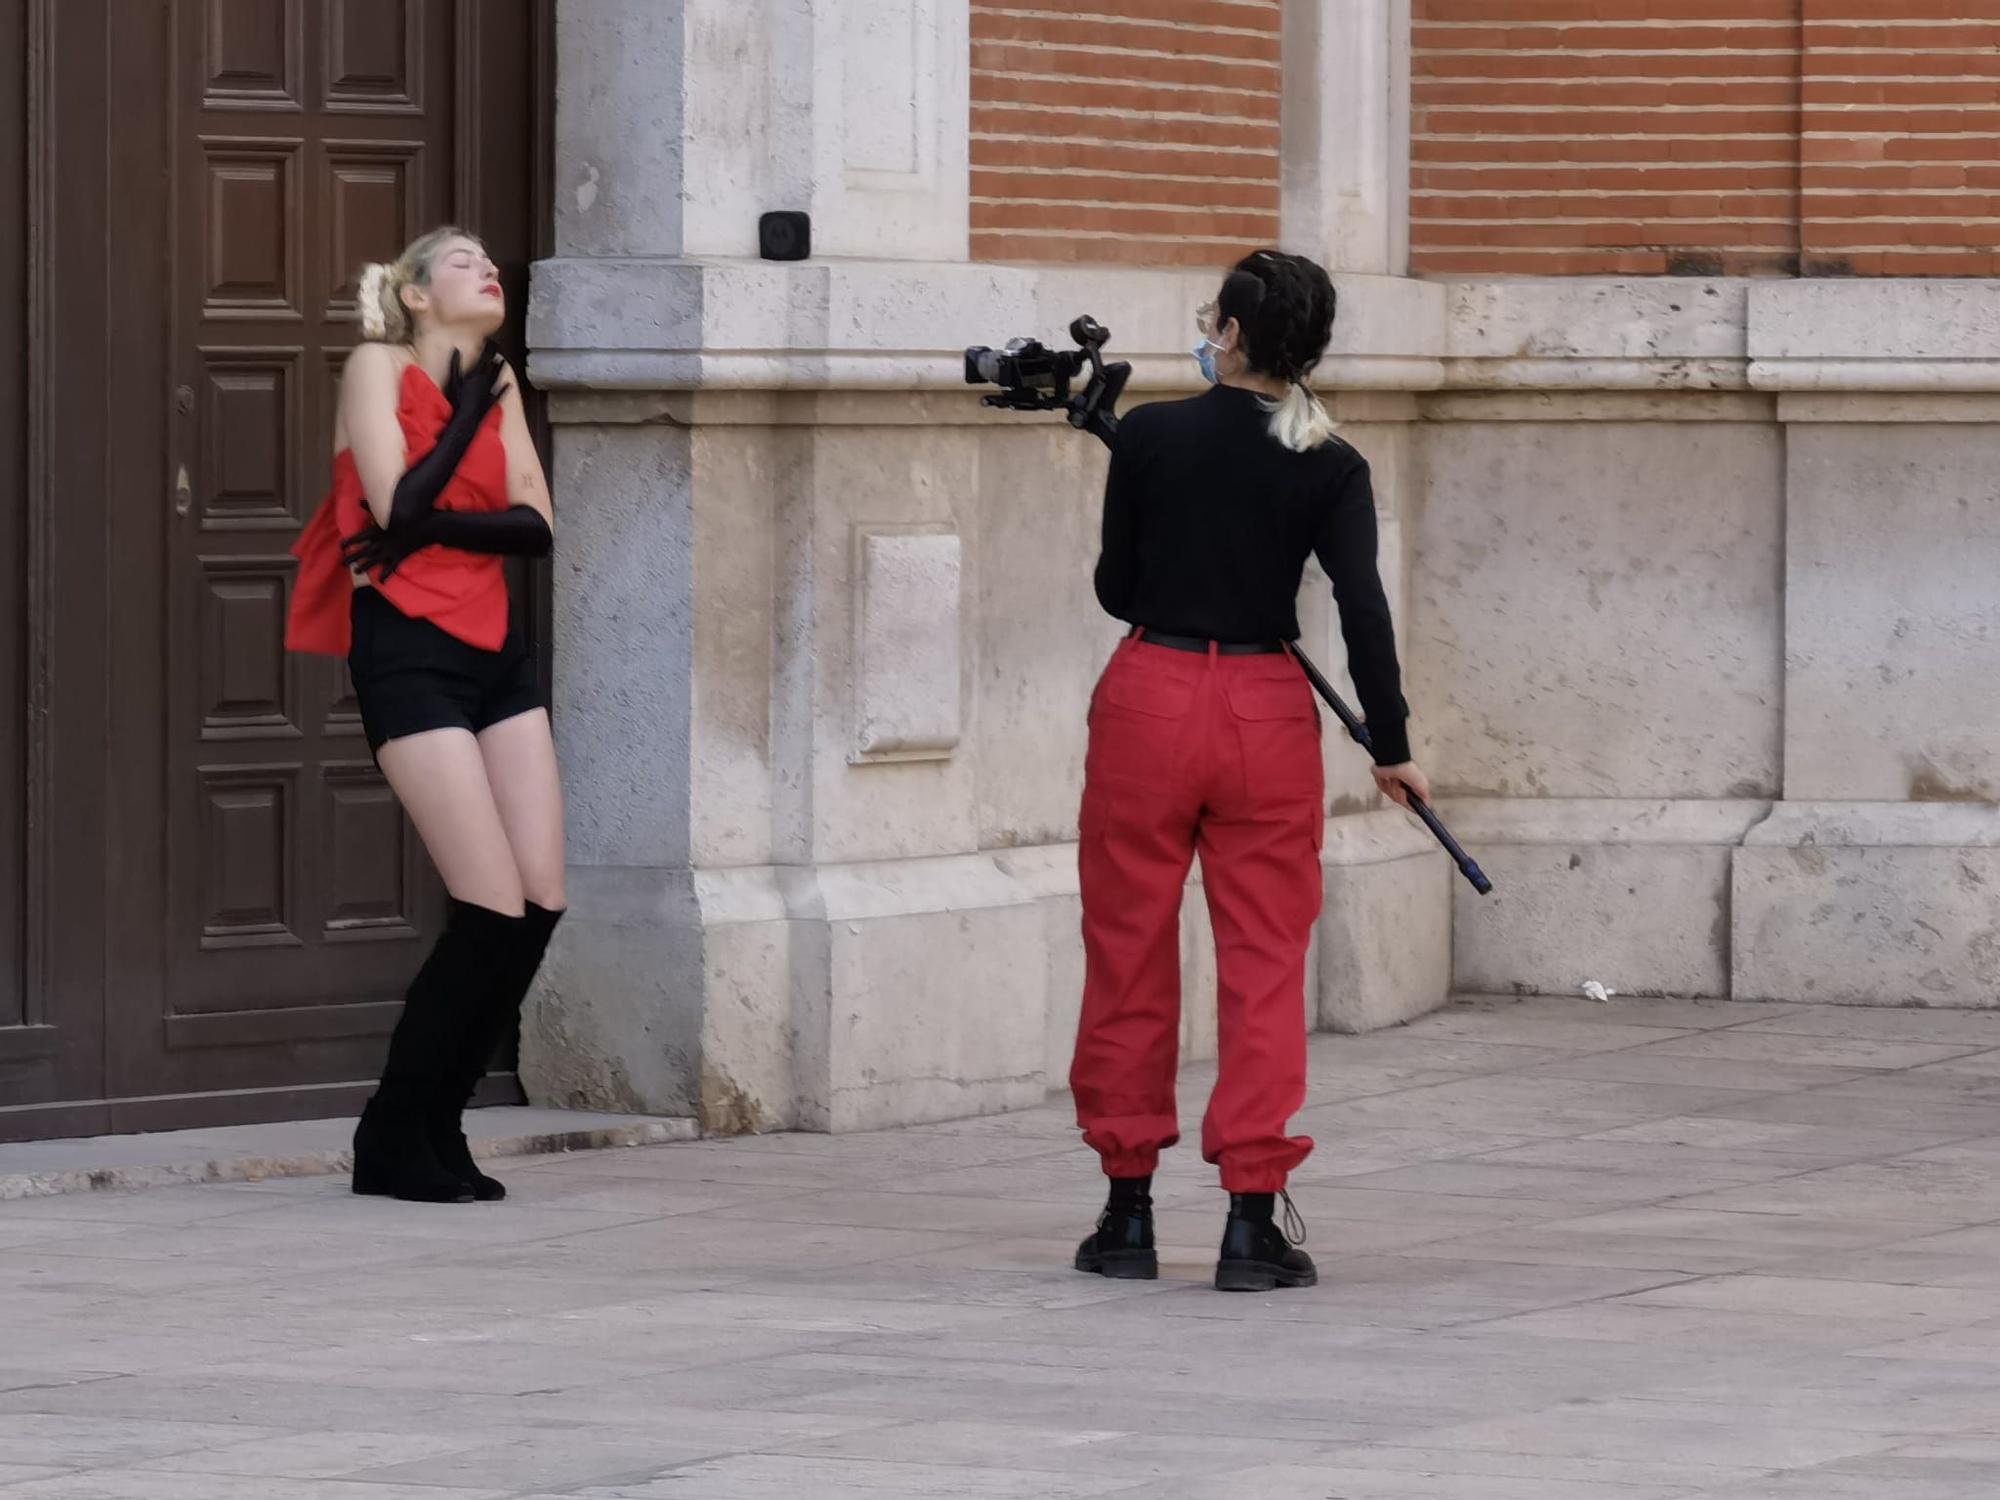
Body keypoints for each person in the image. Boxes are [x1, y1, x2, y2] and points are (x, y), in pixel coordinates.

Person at [1070, 249, 1430, 1292]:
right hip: (1267, 711)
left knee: (1126, 944)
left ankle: (1126, 1209)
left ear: (1227, 332)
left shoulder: (1148, 434)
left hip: (1148, 693)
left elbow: (1115, 585)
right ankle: (1247, 1220)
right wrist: (1390, 744)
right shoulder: (1330, 459)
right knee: (1263, 960)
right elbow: (1361, 612)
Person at [286, 227, 564, 1204]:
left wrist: (433, 522)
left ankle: (434, 1124)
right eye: (460, 260)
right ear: (411, 295)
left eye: (489, 260)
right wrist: (450, 448)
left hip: (495, 653)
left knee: (537, 903)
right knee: (485, 901)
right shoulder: (376, 366)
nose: (486, 268)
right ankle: (394, 1135)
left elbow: (534, 526)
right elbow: (391, 500)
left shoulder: (502, 383)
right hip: (406, 651)